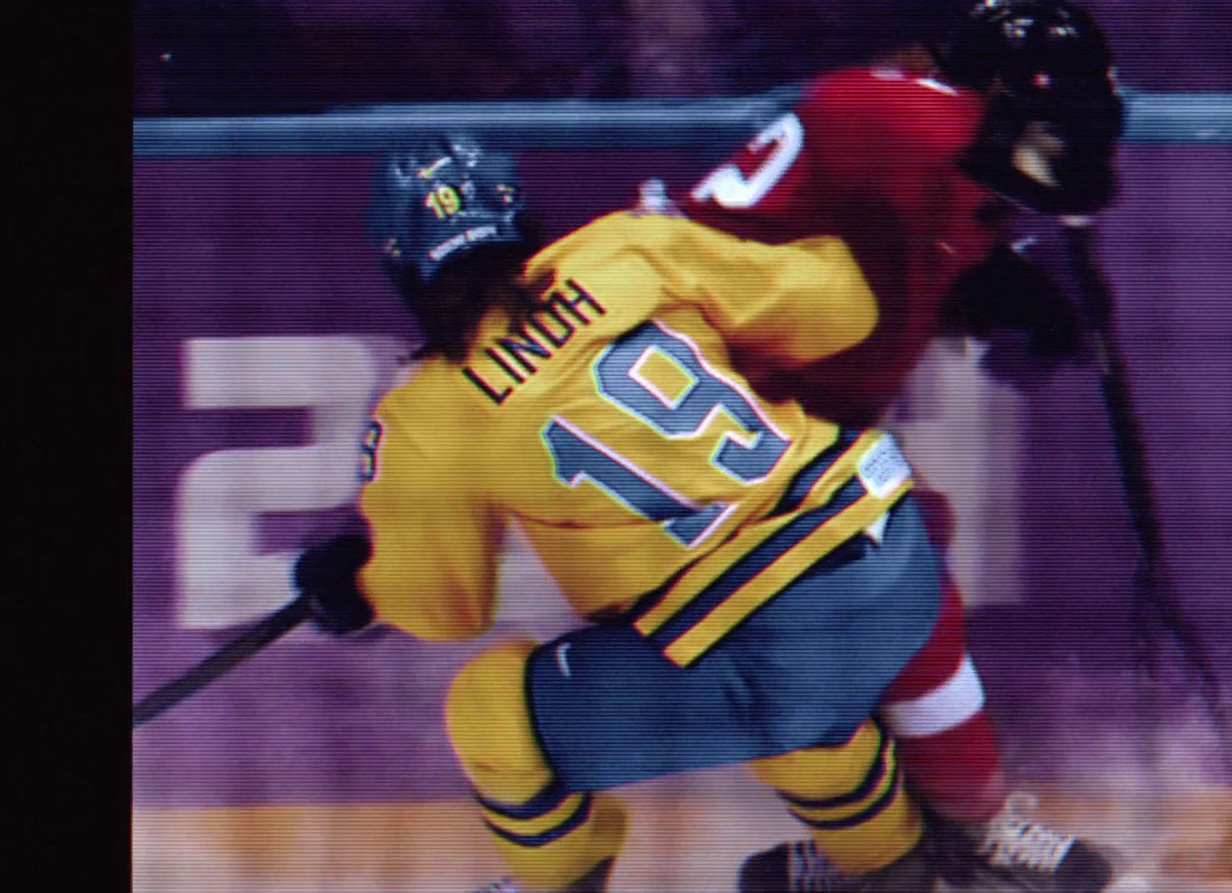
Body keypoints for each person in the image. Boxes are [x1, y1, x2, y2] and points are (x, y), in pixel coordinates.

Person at [293, 132, 971, 893]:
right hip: (895, 557)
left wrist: (356, 587)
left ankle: (562, 880)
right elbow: (839, 307)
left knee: (491, 708)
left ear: (400, 262)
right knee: (781, 689)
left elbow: (447, 608)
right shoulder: (624, 246)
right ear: (521, 213)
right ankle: (892, 861)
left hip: (770, 644)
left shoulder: (426, 414)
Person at [670, 2, 1128, 891]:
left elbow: (920, 219)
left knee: (908, 547)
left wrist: (998, 283)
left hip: (746, 419)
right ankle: (962, 833)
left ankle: (895, 840)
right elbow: (858, 114)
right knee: (896, 563)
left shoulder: (943, 157)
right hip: (703, 417)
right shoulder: (904, 113)